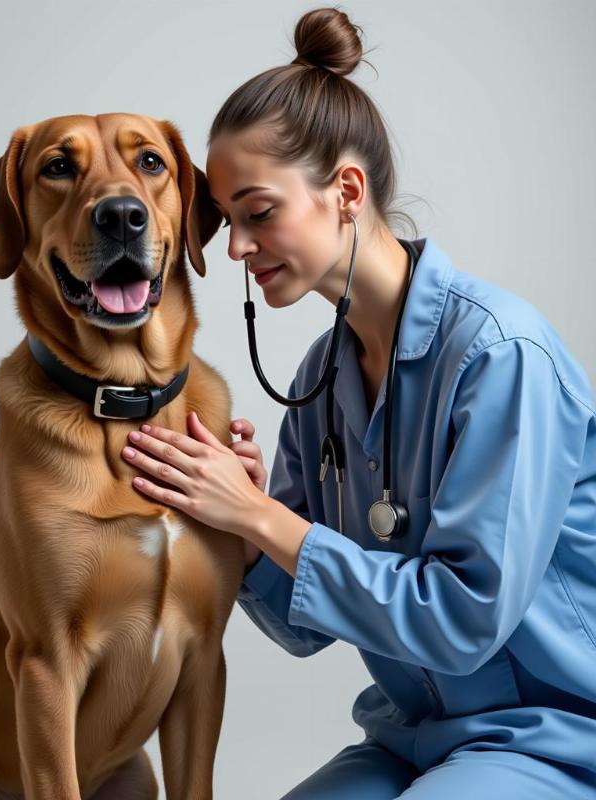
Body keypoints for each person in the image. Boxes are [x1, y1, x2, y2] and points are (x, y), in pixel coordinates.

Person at [119, 7, 596, 798]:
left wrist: (265, 519)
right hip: (411, 737)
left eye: (257, 213)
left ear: (346, 190)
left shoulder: (502, 356)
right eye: (227, 221)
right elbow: (304, 628)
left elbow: (464, 621)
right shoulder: (322, 374)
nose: (233, 249)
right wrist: (240, 535)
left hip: (555, 738)